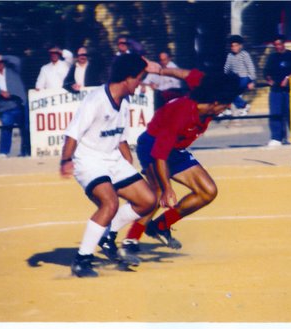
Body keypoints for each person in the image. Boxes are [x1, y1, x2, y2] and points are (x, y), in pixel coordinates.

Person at [97, 63, 240, 256]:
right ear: (215, 102)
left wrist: (161, 71)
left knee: (208, 191)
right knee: (154, 195)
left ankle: (160, 226)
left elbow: (186, 73)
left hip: (176, 149)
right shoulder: (181, 114)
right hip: (152, 145)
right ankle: (129, 240)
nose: (227, 107)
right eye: (225, 104)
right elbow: (159, 154)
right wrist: (167, 189)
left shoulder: (207, 89)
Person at [60, 54, 157, 278]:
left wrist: (128, 161)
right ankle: (82, 259)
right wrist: (66, 161)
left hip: (112, 158)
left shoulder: (124, 101)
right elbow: (73, 133)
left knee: (148, 201)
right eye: (139, 78)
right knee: (110, 203)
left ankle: (107, 236)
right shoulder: (96, 100)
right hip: (89, 161)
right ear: (128, 78)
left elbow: (121, 137)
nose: (140, 83)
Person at [0, 54, 30, 158]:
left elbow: (16, 59)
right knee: (6, 128)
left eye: (0, 62)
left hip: (20, 105)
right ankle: (3, 152)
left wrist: (2, 57)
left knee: (26, 129)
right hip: (6, 108)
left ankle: (26, 152)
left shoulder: (13, 71)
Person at [263, 35, 291, 147]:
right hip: (275, 90)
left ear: (283, 44)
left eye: (279, 44)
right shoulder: (272, 57)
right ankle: (277, 137)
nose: (278, 47)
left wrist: (288, 78)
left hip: (289, 90)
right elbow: (266, 72)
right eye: (275, 45)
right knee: (275, 113)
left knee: (290, 113)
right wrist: (269, 79)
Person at [223, 35, 256, 116]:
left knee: (231, 92)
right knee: (227, 91)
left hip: (244, 78)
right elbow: (226, 68)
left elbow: (251, 67)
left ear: (240, 46)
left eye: (236, 45)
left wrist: (252, 81)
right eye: (232, 46)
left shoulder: (244, 54)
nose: (234, 47)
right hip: (234, 79)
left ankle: (239, 106)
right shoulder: (230, 56)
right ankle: (242, 107)